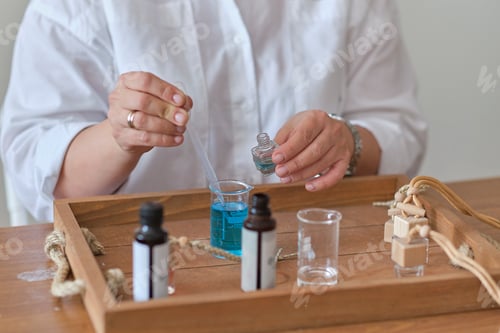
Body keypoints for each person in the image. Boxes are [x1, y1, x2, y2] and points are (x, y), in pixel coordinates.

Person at [0, 0, 427, 222]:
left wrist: (346, 144)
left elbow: (398, 128)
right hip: (132, 266)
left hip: (311, 254)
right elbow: (35, 172)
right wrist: (120, 138)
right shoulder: (75, 9)